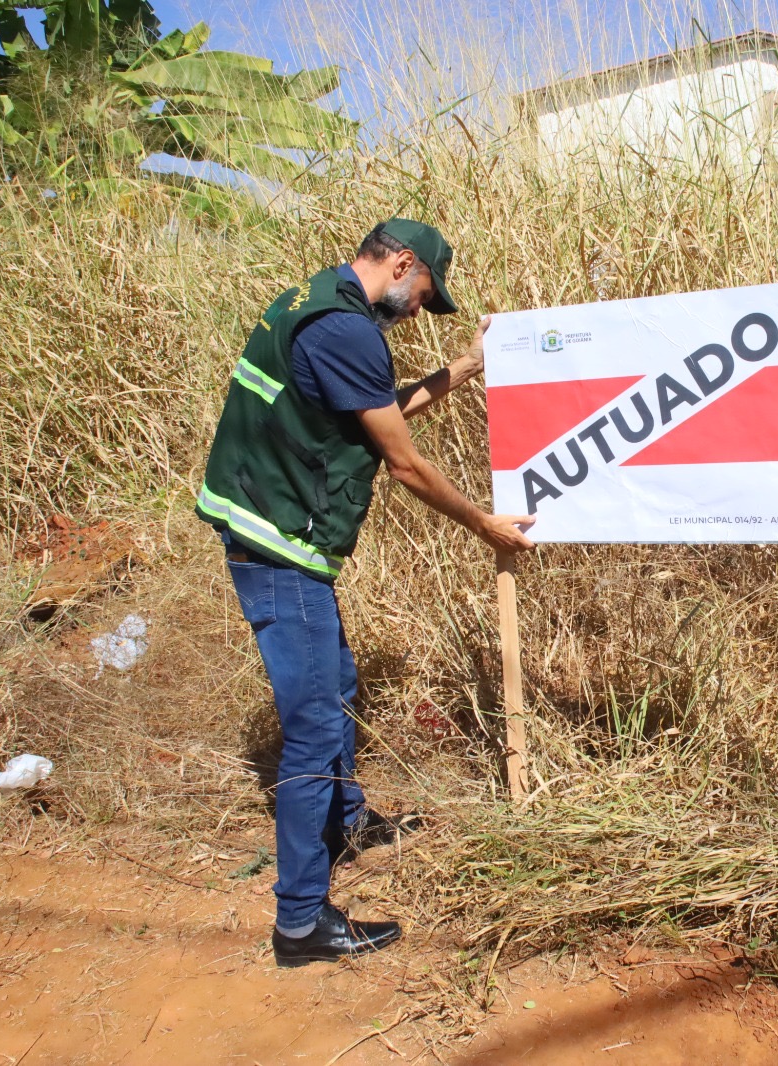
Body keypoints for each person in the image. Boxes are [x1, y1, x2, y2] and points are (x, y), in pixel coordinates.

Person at [195, 219, 535, 967]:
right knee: (315, 729)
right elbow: (405, 464)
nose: (420, 309)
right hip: (280, 547)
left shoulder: (310, 300)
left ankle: (348, 823)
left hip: (266, 526)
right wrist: (484, 524)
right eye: (424, 295)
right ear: (403, 264)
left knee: (338, 681)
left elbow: (377, 413)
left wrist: (467, 367)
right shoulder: (347, 331)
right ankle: (300, 924)